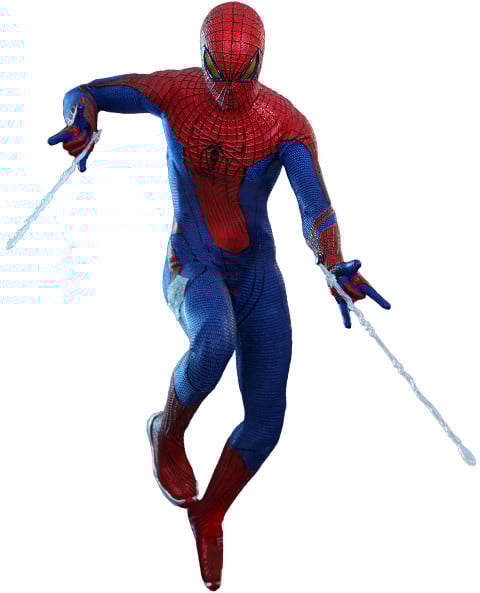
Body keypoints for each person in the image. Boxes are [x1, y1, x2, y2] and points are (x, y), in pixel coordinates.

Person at [48, 2, 390, 589]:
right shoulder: (175, 92)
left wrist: (333, 262)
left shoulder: (285, 124)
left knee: (268, 419)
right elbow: (85, 92)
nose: (229, 92)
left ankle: (210, 514)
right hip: (193, 262)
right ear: (203, 57)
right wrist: (81, 119)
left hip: (256, 273)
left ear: (260, 62)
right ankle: (167, 430)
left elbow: (316, 206)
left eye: (242, 75)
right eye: (219, 72)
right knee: (215, 339)